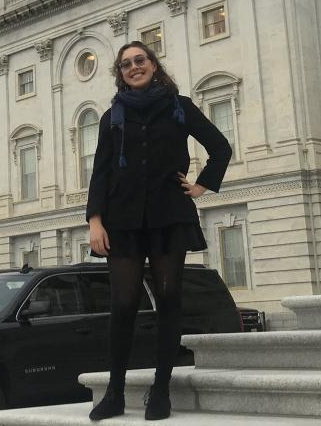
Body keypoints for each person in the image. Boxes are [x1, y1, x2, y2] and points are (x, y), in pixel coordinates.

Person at [85, 41, 232, 421]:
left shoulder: (179, 106)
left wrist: (200, 185)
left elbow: (220, 147)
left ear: (153, 64)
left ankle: (161, 391)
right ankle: (114, 393)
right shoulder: (112, 116)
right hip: (123, 221)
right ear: (120, 73)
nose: (134, 67)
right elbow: (100, 171)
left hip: (169, 215)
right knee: (122, 304)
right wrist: (95, 220)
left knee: (169, 300)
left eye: (140, 60)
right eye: (126, 64)